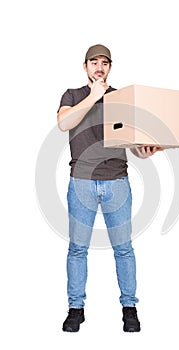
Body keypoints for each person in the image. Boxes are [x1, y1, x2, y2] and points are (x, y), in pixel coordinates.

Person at [57, 44, 162, 333]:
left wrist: (145, 151)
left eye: (105, 63)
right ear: (85, 67)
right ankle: (75, 309)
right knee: (77, 249)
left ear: (110, 67)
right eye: (94, 62)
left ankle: (130, 308)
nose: (99, 67)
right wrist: (93, 96)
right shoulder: (73, 95)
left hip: (117, 182)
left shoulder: (122, 99)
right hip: (81, 183)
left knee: (124, 249)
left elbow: (132, 144)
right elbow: (64, 123)